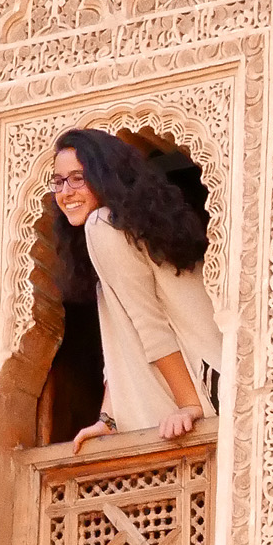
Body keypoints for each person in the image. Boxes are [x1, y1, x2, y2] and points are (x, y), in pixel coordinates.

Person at [49, 128, 222, 452]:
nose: (65, 192)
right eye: (59, 181)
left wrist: (189, 405)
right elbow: (122, 332)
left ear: (104, 177)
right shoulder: (121, 228)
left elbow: (149, 324)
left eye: (77, 178)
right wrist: (109, 419)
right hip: (210, 381)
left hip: (209, 388)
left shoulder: (103, 225)